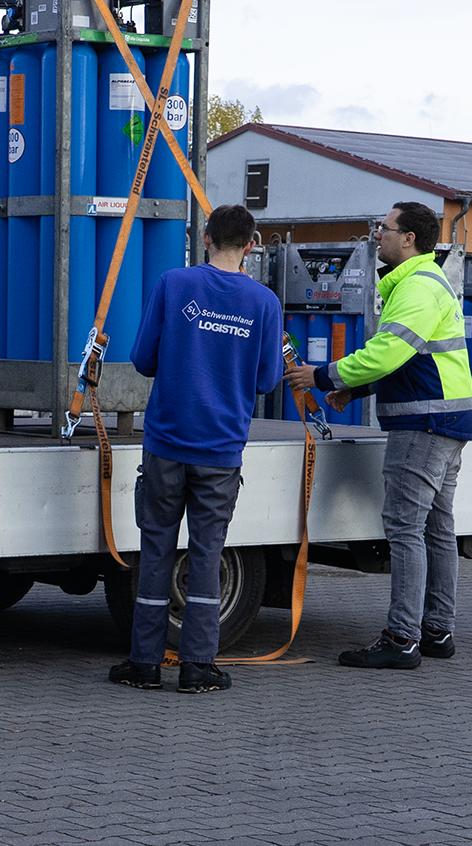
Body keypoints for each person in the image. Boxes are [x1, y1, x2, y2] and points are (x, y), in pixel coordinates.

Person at [287, 201, 472, 670]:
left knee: (405, 527)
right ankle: (436, 631)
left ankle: (402, 638)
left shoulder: (417, 286)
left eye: (384, 228)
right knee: (437, 528)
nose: (377, 235)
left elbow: (389, 351)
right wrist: (356, 389)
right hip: (445, 421)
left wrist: (323, 376)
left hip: (423, 425)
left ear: (408, 238)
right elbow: (412, 358)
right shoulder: (427, 283)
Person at [108, 204, 285, 695]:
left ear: (205, 238)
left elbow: (142, 359)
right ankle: (197, 667)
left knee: (155, 550)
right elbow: (268, 379)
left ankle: (144, 664)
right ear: (251, 245)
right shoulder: (264, 302)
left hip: (166, 443)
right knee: (207, 554)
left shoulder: (174, 284)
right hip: (221, 449)